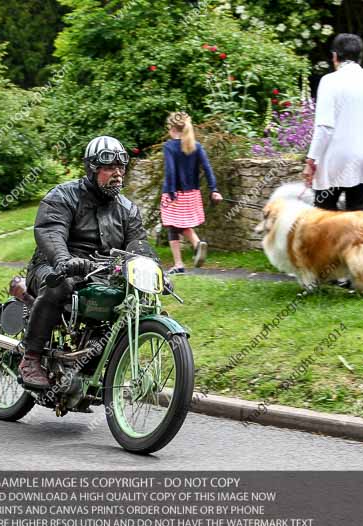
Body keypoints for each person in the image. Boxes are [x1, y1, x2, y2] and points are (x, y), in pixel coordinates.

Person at [19, 136, 153, 388]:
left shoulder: (128, 209)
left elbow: (139, 246)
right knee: (60, 285)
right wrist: (64, 260)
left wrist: (156, 271)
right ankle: (31, 357)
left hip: (101, 273)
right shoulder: (63, 195)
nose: (117, 174)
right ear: (92, 168)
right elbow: (50, 231)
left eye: (121, 167)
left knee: (128, 301)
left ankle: (94, 359)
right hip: (54, 267)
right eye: (109, 167)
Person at [304, 33, 363, 211]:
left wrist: (311, 160)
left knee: (325, 216)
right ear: (360, 55)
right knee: (358, 214)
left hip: (337, 159)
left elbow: (325, 127)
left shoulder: (329, 81)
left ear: (335, 56)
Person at [161, 112, 222, 274]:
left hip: (174, 193)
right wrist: (213, 189)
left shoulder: (169, 146)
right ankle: (183, 259)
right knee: (177, 225)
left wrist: (172, 193)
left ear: (172, 128)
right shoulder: (195, 145)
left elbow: (170, 171)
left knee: (172, 225)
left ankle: (189, 251)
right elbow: (207, 168)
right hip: (192, 194)